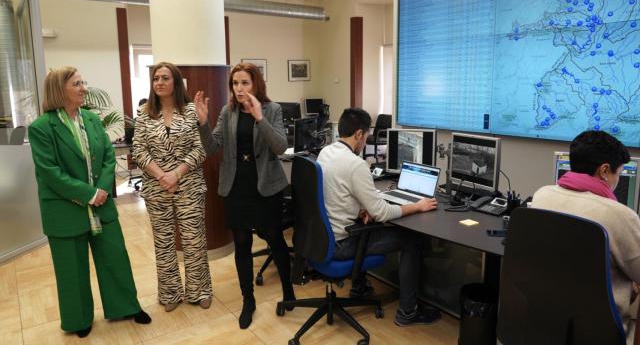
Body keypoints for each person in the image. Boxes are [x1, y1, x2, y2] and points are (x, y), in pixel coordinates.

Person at [29, 66, 151, 337]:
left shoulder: (91, 120)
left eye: (83, 82)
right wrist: (89, 193)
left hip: (101, 203)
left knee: (115, 257)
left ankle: (125, 306)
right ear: (59, 90)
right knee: (71, 268)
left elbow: (108, 155)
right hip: (64, 209)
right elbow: (50, 172)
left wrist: (101, 189)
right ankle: (78, 319)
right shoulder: (41, 128)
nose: (84, 88)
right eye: (77, 84)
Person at [316, 108, 441, 327]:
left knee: (373, 220)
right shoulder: (356, 165)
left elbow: (334, 192)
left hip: (323, 237)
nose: (366, 139)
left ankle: (360, 286)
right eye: (367, 135)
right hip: (342, 243)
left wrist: (360, 209)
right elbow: (382, 213)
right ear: (358, 134)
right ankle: (408, 313)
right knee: (412, 240)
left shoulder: (326, 152)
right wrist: (417, 206)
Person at [195, 62, 295, 329]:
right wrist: (203, 123)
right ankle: (247, 300)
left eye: (245, 83)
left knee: (275, 239)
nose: (239, 88)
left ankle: (288, 290)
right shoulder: (228, 112)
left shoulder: (272, 110)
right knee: (242, 245)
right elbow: (212, 147)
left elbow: (280, 147)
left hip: (265, 186)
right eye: (235, 84)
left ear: (256, 84)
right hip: (237, 186)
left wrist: (260, 117)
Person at [531, 130, 640, 343]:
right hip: (600, 331)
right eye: (618, 173)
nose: (618, 180)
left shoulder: (541, 195)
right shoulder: (619, 215)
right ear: (605, 171)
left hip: (547, 319)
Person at [132, 62, 212, 312]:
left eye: (165, 78)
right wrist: (161, 175)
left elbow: (201, 149)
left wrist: (176, 174)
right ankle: (170, 294)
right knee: (163, 242)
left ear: (176, 83)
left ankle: (200, 291)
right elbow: (138, 149)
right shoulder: (144, 113)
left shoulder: (191, 111)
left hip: (189, 186)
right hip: (157, 189)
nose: (160, 83)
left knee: (193, 240)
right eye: (156, 78)